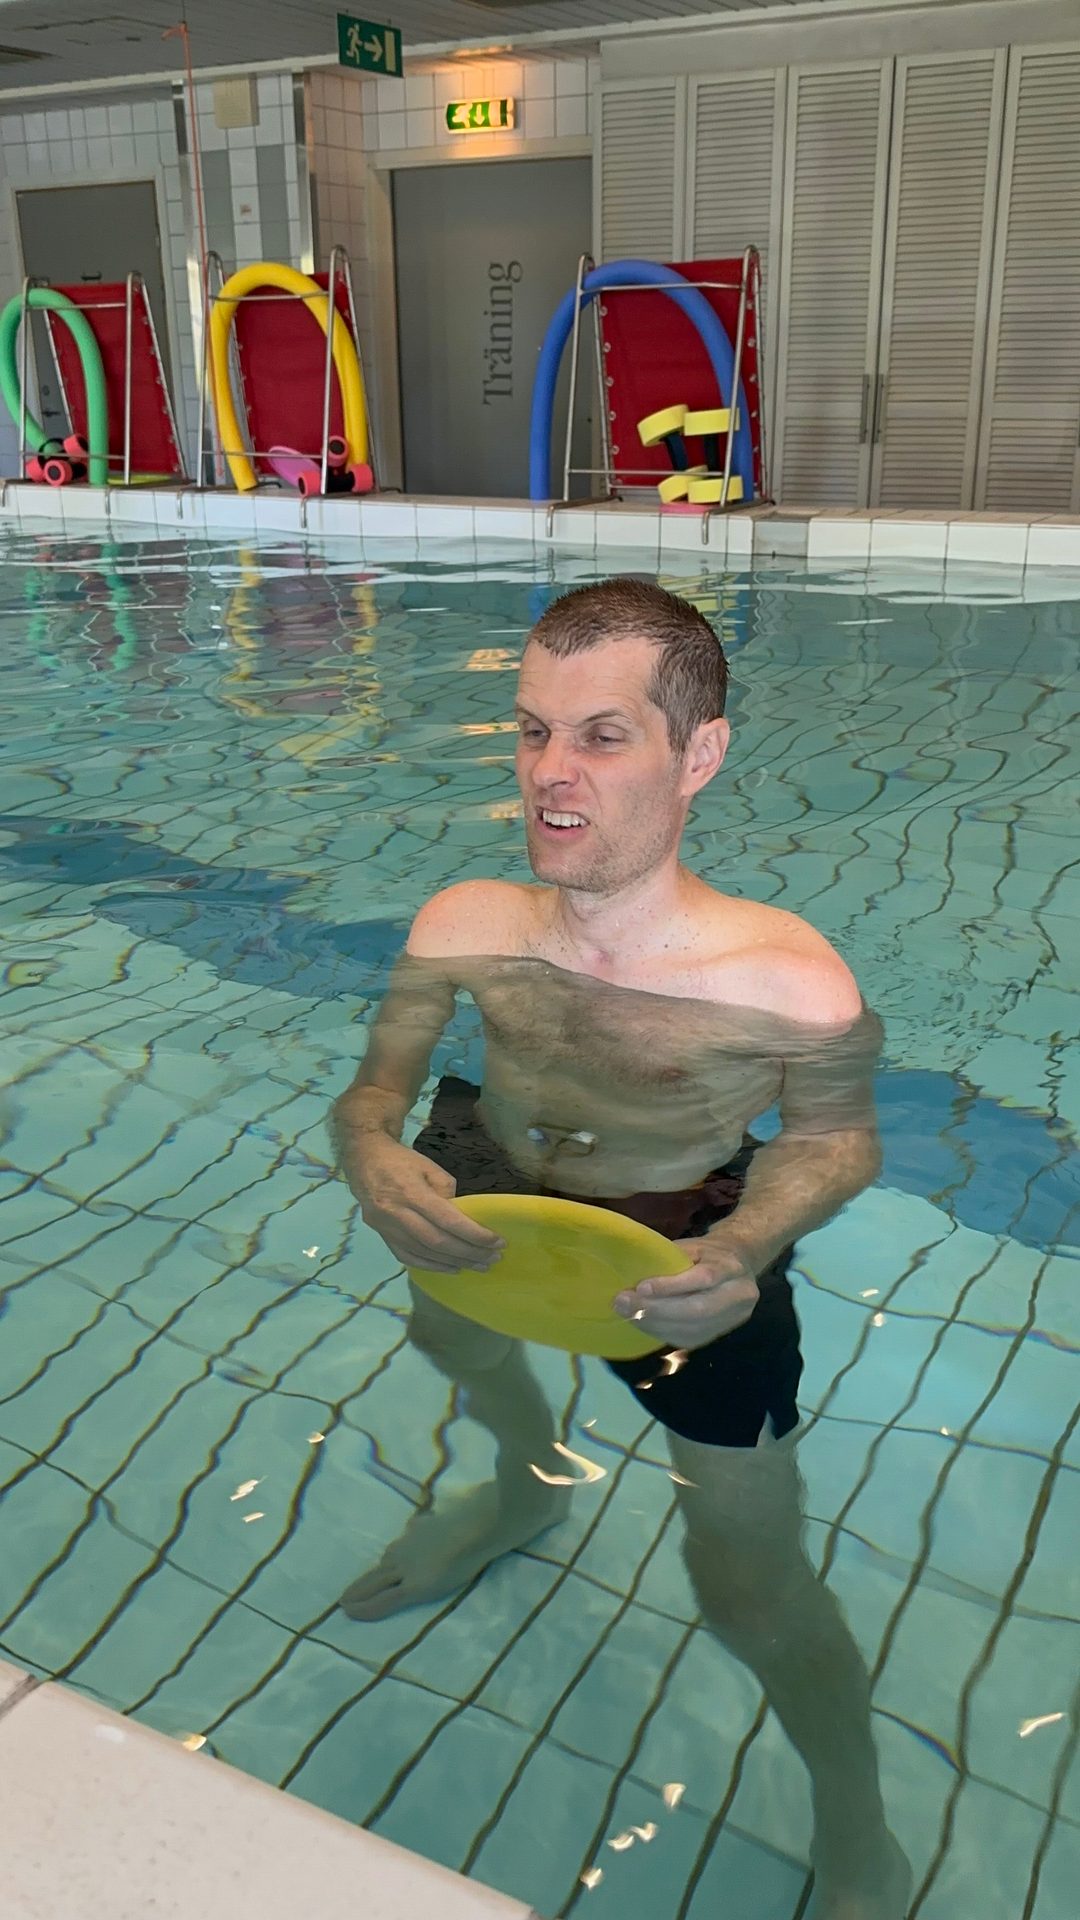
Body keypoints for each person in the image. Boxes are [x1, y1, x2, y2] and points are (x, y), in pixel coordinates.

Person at [332, 578, 910, 1919]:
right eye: (532, 731)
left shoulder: (786, 977)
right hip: (493, 1183)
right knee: (451, 1331)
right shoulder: (465, 921)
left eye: (601, 736)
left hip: (684, 1240)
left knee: (749, 1583)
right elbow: (378, 1087)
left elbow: (837, 1142)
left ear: (696, 755)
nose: (550, 774)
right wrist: (370, 1151)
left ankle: (857, 1824)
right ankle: (530, 1479)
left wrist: (753, 1242)